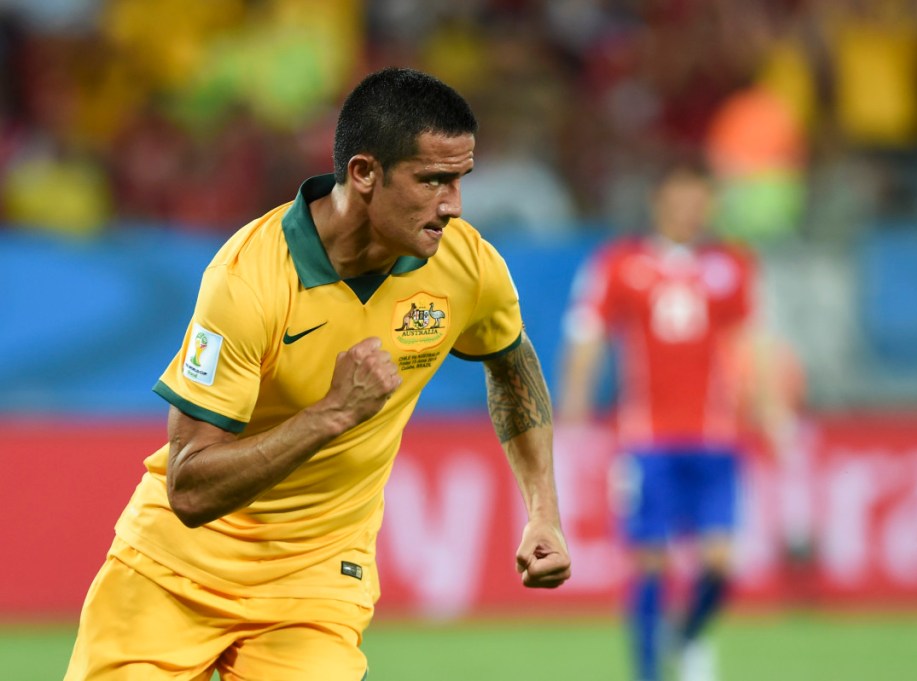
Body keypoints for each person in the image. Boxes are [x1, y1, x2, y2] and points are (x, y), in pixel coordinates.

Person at [65, 67, 572, 681]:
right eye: (432, 180)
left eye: (460, 180)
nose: (453, 206)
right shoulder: (247, 280)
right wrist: (330, 414)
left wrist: (543, 509)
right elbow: (190, 488)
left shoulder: (466, 264)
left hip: (318, 582)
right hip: (177, 571)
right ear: (363, 174)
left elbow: (511, 358)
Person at [558, 160, 795, 681]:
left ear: (709, 204)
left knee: (720, 564)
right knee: (650, 562)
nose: (689, 211)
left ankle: (685, 637)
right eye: (679, 200)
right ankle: (648, 672)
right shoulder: (619, 263)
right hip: (647, 441)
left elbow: (752, 344)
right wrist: (573, 400)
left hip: (716, 438)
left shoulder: (732, 266)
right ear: (657, 202)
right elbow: (588, 333)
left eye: (698, 200)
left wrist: (773, 413)